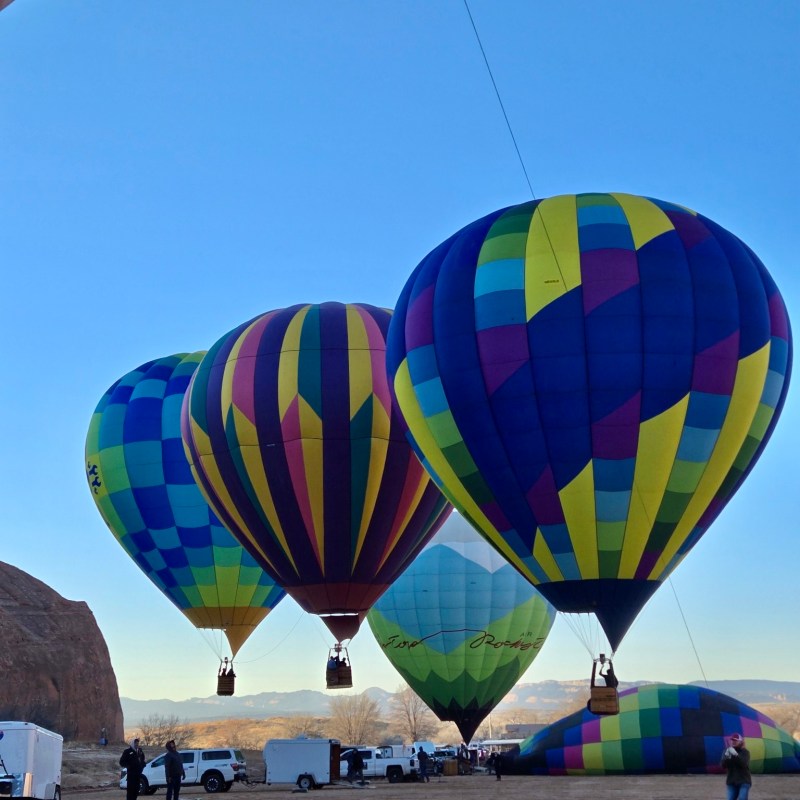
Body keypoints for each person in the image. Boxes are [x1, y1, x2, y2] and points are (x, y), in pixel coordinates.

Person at [721, 733, 751, 800]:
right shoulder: (726, 751)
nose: (733, 742)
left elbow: (743, 764)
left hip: (744, 781)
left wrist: (735, 754)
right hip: (731, 781)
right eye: (732, 740)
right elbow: (723, 766)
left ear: (740, 742)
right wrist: (727, 757)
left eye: (736, 740)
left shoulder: (745, 752)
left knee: (742, 798)